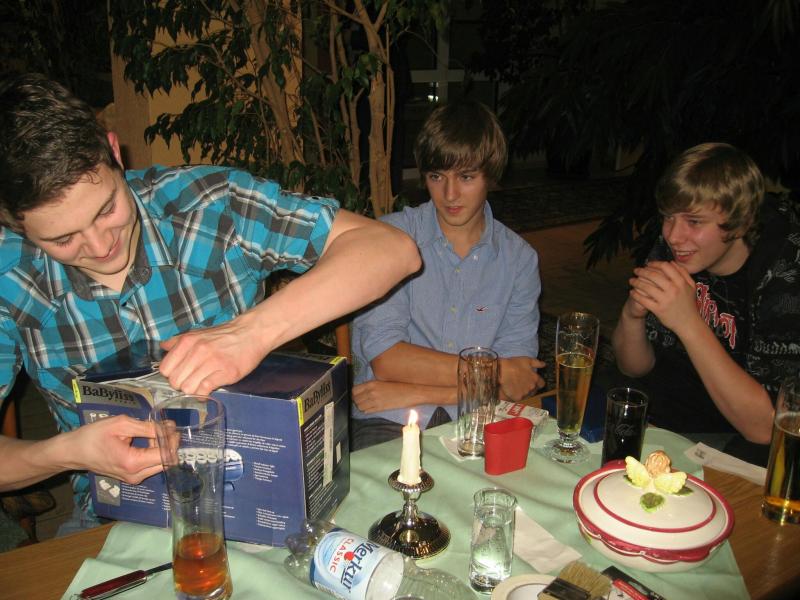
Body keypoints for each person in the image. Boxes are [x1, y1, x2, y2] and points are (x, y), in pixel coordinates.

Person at [0, 73, 420, 531]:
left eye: (106, 209)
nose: (101, 246)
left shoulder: (212, 205)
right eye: (63, 239)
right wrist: (67, 452)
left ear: (115, 153)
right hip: (113, 517)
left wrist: (250, 334)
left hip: (253, 492)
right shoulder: (8, 274)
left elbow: (392, 250)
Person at [349, 99, 545, 450]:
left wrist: (415, 391)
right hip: (388, 419)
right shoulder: (392, 239)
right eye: (436, 176)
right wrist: (496, 371)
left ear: (491, 175)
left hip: (479, 418)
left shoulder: (519, 260)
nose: (449, 194)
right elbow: (387, 360)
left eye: (466, 177)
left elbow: (518, 382)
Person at [611, 142, 800, 464]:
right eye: (668, 217)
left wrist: (688, 323)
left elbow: (765, 429)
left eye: (694, 222)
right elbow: (634, 367)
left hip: (737, 430)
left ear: (740, 223)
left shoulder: (784, 272)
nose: (673, 236)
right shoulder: (677, 247)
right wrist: (632, 316)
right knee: (606, 397)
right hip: (675, 408)